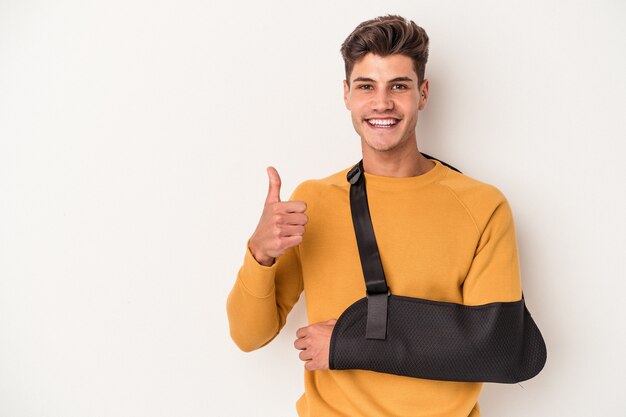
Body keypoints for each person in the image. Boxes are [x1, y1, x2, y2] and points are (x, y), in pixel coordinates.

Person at [227, 14, 522, 417]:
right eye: (367, 86)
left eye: (398, 86)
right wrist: (260, 254)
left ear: (423, 93)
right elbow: (248, 337)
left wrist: (350, 346)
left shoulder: (482, 206)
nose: (382, 103)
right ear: (347, 94)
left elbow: (498, 348)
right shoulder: (313, 201)